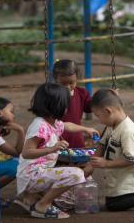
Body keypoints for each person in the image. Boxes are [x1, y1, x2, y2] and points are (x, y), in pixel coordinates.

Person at [16, 83, 98, 219]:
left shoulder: (52, 122)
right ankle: (42, 205)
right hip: (32, 174)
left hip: (39, 173)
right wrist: (52, 149)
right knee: (77, 175)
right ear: (56, 106)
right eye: (65, 104)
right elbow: (26, 152)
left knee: (80, 182)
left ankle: (30, 197)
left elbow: (67, 126)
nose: (67, 108)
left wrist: (85, 129)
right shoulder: (40, 126)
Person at [52, 59, 92, 148]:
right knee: (58, 159)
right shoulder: (52, 95)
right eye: (63, 83)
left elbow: (90, 107)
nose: (67, 87)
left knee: (79, 158)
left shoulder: (82, 93)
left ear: (77, 79)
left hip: (76, 136)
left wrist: (104, 98)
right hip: (57, 137)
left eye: (71, 83)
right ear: (56, 80)